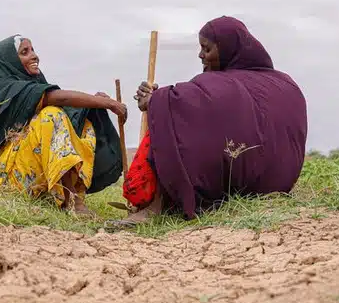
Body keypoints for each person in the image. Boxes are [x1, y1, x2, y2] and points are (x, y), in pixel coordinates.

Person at [111, 16, 307, 227]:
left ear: (227, 49)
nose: (201, 55)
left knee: (170, 115)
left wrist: (156, 102)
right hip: (277, 185)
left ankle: (156, 206)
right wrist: (160, 100)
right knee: (172, 108)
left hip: (240, 183)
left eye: (207, 49)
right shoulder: (286, 83)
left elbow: (188, 103)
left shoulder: (218, 86)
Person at [0, 35, 127, 217]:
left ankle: (76, 198)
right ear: (10, 61)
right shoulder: (5, 89)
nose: (34, 56)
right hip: (6, 182)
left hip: (33, 174)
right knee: (51, 116)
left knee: (84, 122)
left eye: (32, 50)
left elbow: (67, 111)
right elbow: (57, 98)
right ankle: (70, 203)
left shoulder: (33, 84)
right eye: (25, 52)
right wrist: (105, 103)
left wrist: (92, 103)